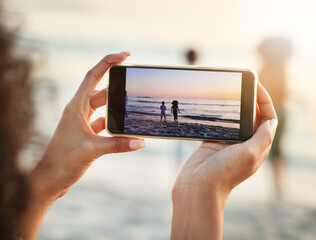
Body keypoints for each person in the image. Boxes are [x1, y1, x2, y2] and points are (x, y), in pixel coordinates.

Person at [1, 5, 278, 238]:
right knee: (178, 142)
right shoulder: (172, 100)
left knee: (178, 144)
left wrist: (46, 182)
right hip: (170, 119)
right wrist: (204, 190)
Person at [257, 37, 293, 201]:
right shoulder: (281, 69)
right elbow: (285, 92)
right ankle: (278, 189)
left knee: (273, 150)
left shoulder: (265, 69)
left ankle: (276, 189)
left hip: (271, 114)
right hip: (283, 112)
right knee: (278, 150)